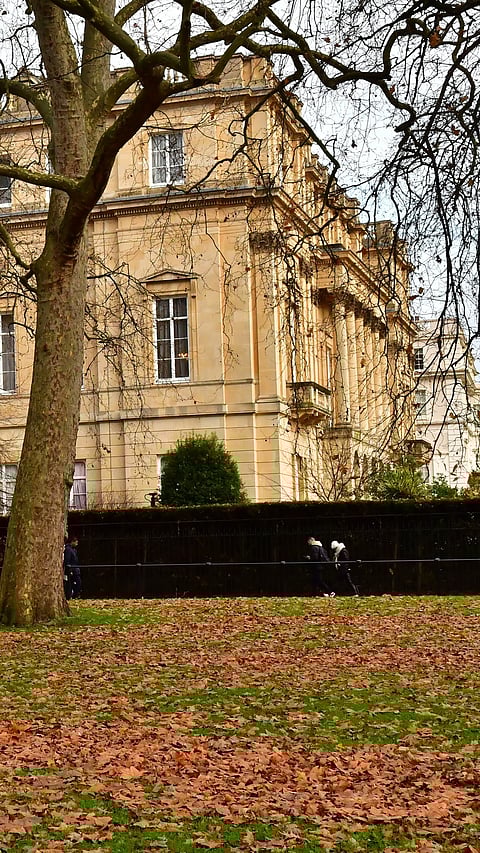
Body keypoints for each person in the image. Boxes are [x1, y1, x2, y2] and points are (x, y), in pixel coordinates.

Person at [64, 535, 82, 600]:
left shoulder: (74, 550)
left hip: (75, 569)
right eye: (76, 542)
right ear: (72, 542)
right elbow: (67, 560)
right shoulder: (68, 549)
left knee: (78, 583)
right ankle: (71, 596)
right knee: (72, 583)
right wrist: (70, 570)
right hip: (72, 569)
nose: (77, 544)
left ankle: (75, 595)